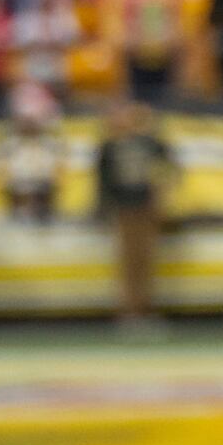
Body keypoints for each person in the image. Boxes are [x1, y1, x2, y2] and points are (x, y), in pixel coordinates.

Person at [92, 92, 174, 329]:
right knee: (128, 262)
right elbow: (103, 181)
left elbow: (167, 170)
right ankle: (130, 312)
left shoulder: (151, 143)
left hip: (147, 207)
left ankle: (145, 309)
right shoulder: (109, 146)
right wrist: (103, 209)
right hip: (123, 208)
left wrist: (162, 199)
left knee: (146, 260)